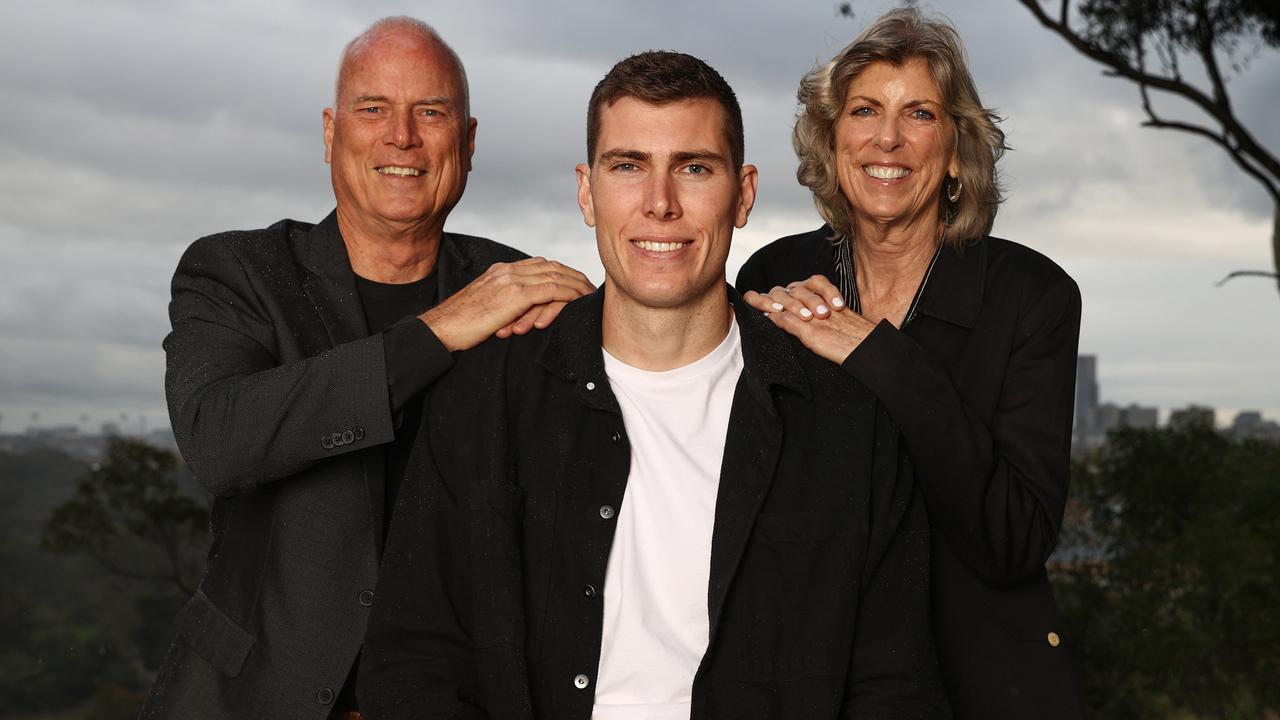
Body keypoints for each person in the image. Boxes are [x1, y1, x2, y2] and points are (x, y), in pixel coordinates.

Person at [359, 50, 947, 720]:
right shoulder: (483, 401)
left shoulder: (844, 419)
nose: (660, 204)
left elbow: (893, 686)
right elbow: (413, 665)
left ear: (744, 193)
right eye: (628, 167)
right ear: (587, 191)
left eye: (694, 168)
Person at [142, 17, 594, 720]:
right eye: (373, 108)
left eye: (431, 112)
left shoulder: (519, 289)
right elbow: (219, 439)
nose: (402, 136)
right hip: (247, 700)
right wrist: (439, 331)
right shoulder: (237, 271)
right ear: (331, 132)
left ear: (467, 143)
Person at [735, 8, 1085, 719]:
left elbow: (1012, 539)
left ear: (956, 149)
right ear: (831, 141)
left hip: (975, 685)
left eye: (918, 113)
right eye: (864, 110)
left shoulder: (1031, 297)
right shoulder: (776, 272)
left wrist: (878, 356)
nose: (887, 138)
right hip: (803, 675)